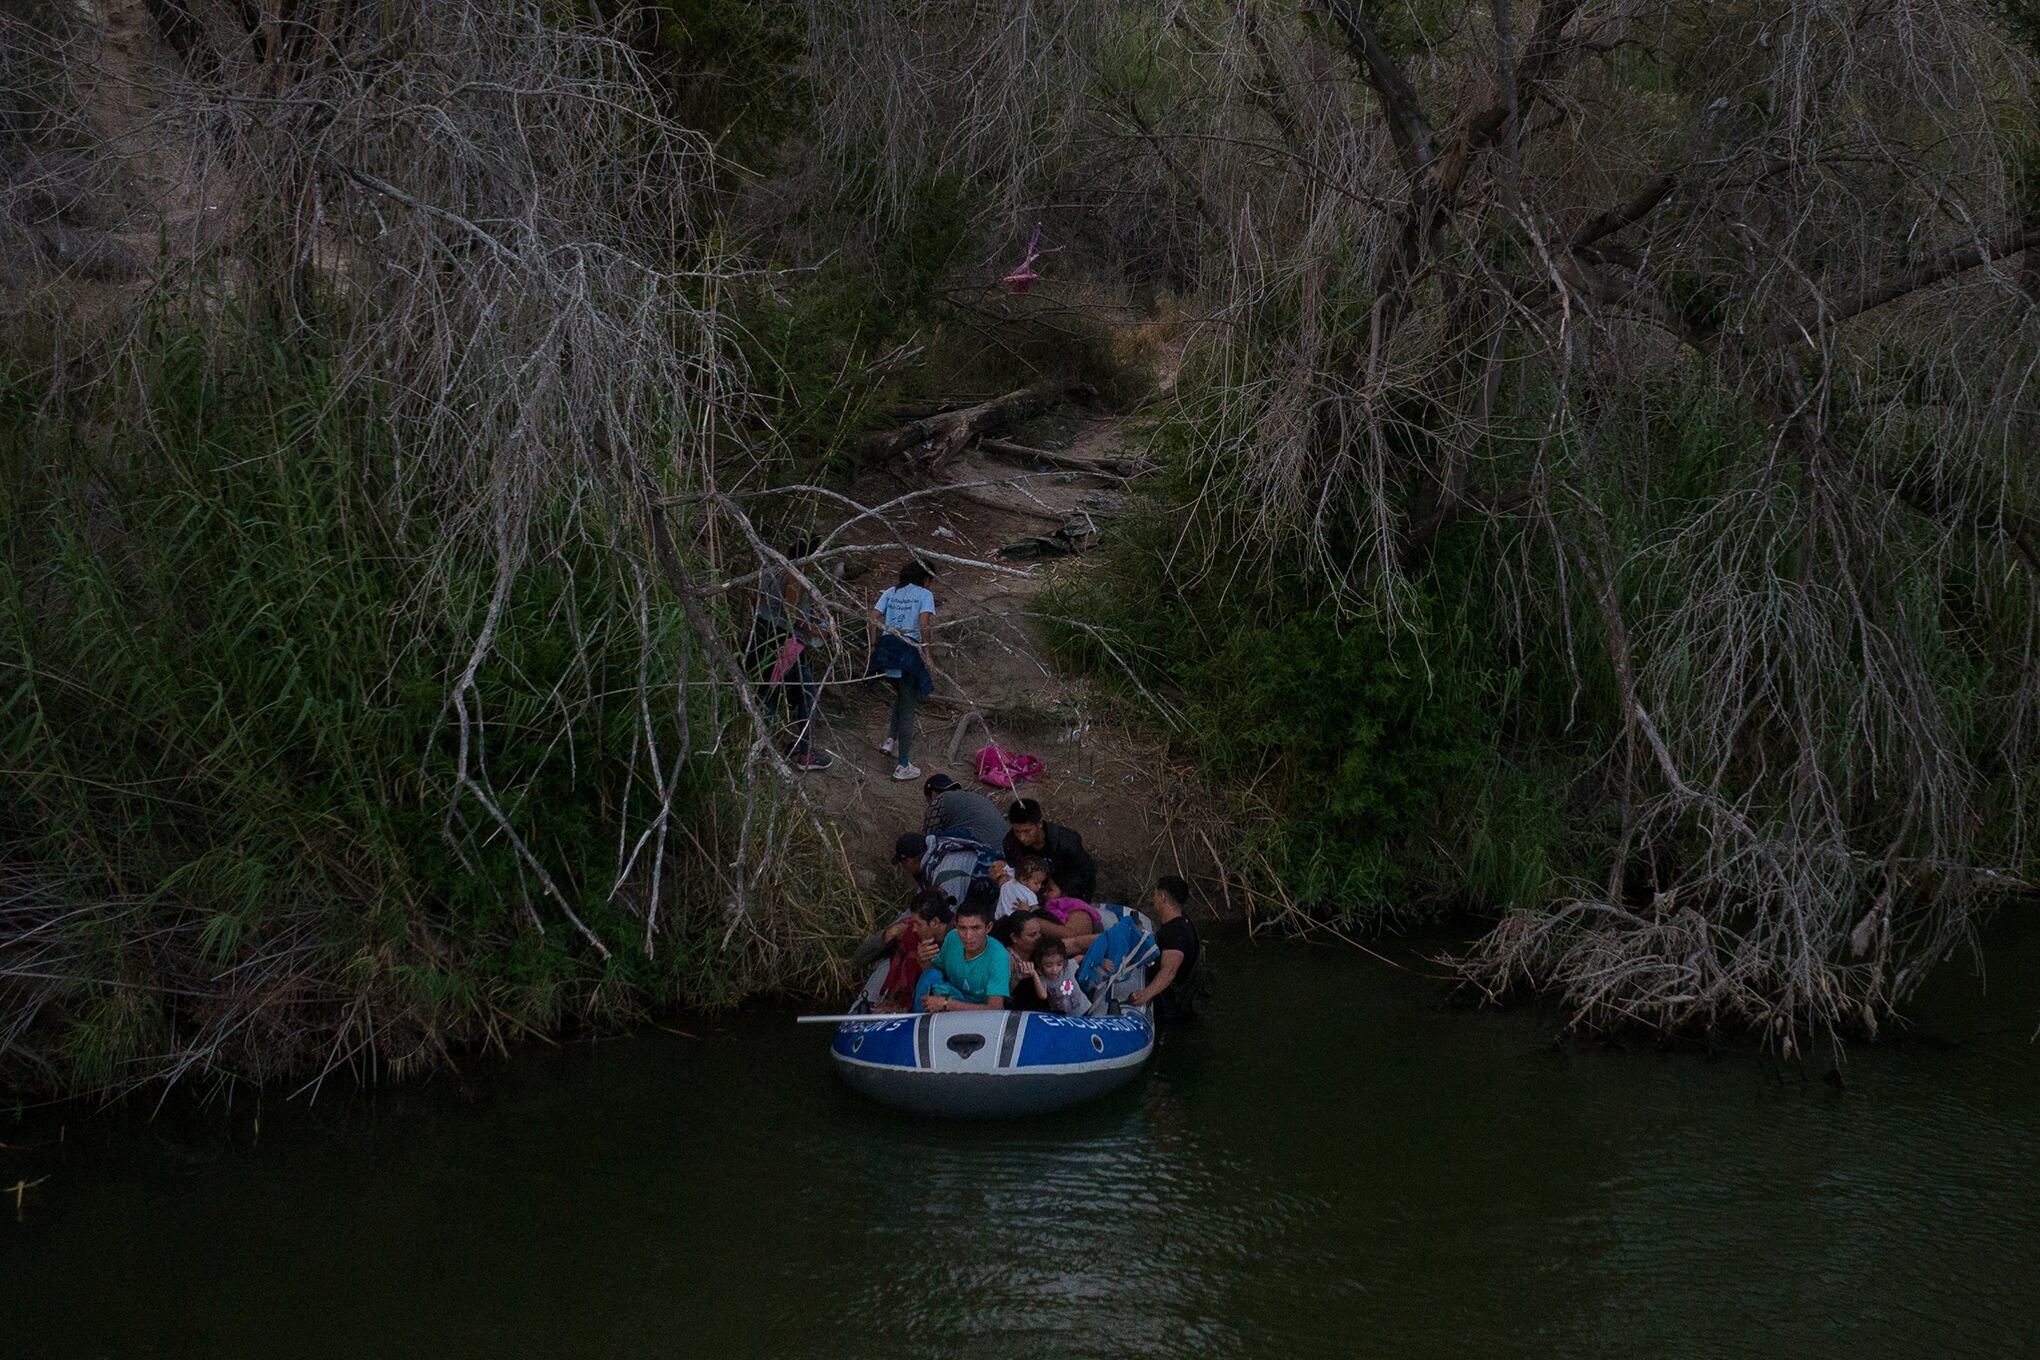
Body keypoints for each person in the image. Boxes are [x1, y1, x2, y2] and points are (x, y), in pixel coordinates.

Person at [747, 535, 832, 770]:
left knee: (769, 694)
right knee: (807, 695)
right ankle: (805, 753)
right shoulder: (796, 576)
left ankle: (759, 749)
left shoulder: (772, 570)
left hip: (761, 637)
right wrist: (815, 630)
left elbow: (757, 601)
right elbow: (791, 613)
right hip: (785, 643)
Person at [868, 560, 936, 782]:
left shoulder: (891, 591)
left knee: (901, 695)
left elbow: (872, 617)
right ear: (926, 579)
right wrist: (926, 653)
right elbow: (923, 623)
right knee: (908, 706)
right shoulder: (925, 594)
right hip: (908, 652)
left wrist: (873, 646)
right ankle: (903, 764)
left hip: (887, 651)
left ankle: (891, 740)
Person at [915, 896, 1009, 1012]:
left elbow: (994, 1008)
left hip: (980, 1013)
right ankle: (917, 1019)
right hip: (954, 996)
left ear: (988, 928)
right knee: (930, 975)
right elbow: (936, 971)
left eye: (976, 928)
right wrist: (923, 960)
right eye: (963, 928)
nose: (968, 936)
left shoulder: (998, 956)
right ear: (956, 926)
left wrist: (947, 1004)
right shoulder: (952, 937)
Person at [1129, 876, 1201, 1020]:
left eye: (1155, 894)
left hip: (1172, 1005)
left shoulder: (1176, 933)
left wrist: (1145, 995)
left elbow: (1168, 972)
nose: (1153, 899)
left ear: (1162, 897)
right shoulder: (1181, 920)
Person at [1003, 798, 1097, 903]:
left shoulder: (1065, 841)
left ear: (1039, 823)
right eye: (1017, 831)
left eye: (1027, 831)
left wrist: (1062, 887)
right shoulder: (1011, 843)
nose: (1022, 838)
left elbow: (1086, 871)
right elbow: (1015, 870)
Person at [874, 893, 950, 1011]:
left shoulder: (959, 939)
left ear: (935, 922)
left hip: (958, 1006)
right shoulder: (915, 939)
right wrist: (925, 964)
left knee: (932, 975)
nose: (914, 929)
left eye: (918, 924)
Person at [923, 773, 1008, 850]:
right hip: (1005, 851)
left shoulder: (941, 799)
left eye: (929, 802)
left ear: (932, 793)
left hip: (981, 847)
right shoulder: (974, 798)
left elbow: (928, 841)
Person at [1011, 938, 1082, 1014]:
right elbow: (1043, 995)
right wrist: (1034, 974)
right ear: (1040, 964)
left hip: (1085, 1010)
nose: (1054, 969)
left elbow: (1081, 957)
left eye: (1059, 964)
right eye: (1049, 966)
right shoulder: (1043, 978)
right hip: (1065, 1017)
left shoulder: (1068, 967)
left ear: (1064, 961)